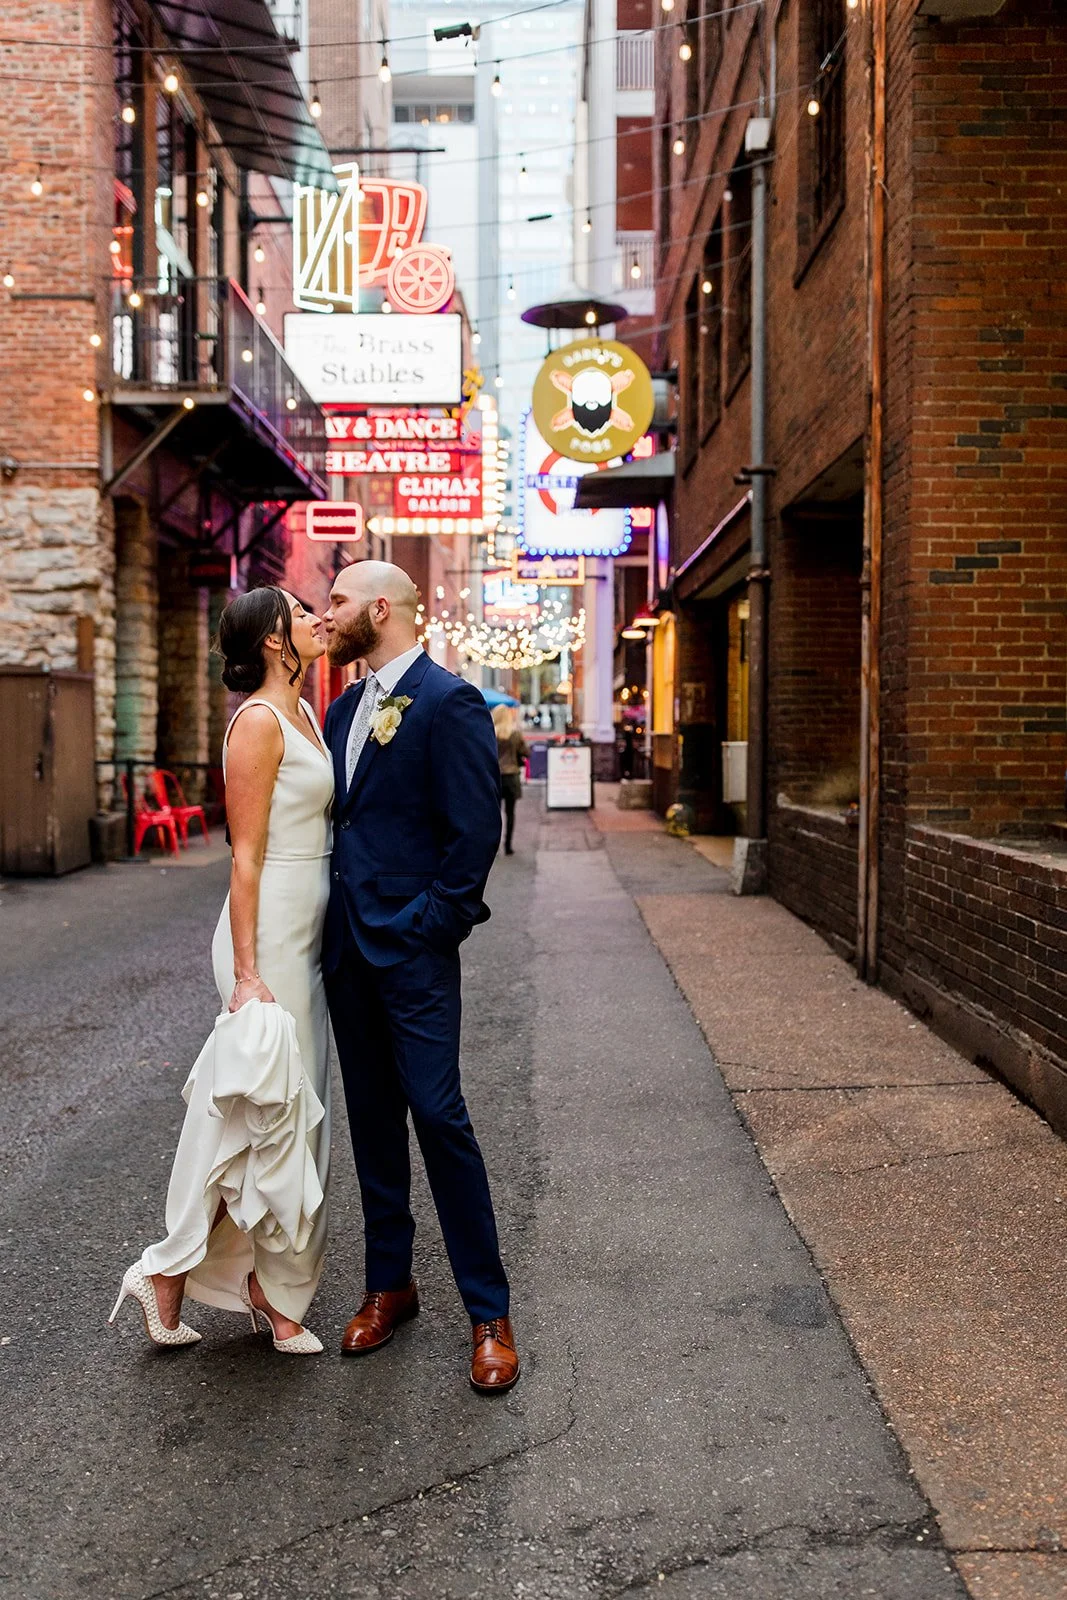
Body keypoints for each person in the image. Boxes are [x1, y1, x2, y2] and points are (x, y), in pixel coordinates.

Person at [109, 587, 333, 1354]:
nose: (316, 622)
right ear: (275, 641)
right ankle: (193, 1276)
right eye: (303, 616)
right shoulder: (260, 723)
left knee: (288, 1117)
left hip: (308, 932)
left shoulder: (306, 712)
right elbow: (244, 855)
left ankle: (244, 1285)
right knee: (265, 1116)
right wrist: (245, 971)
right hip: (266, 935)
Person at [321, 561, 519, 1394]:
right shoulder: (339, 709)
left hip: (412, 950)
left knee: (439, 1118)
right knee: (370, 1123)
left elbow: (471, 837)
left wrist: (427, 929)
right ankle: (389, 1286)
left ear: (379, 609)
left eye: (334, 603)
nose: (323, 616)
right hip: (344, 953)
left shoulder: (449, 702)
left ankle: (488, 1312)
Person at [492, 703, 529, 856]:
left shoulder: (490, 733)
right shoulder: (515, 734)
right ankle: (508, 846)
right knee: (510, 813)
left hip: (494, 777)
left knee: (494, 814)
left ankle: (493, 847)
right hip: (511, 776)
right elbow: (526, 752)